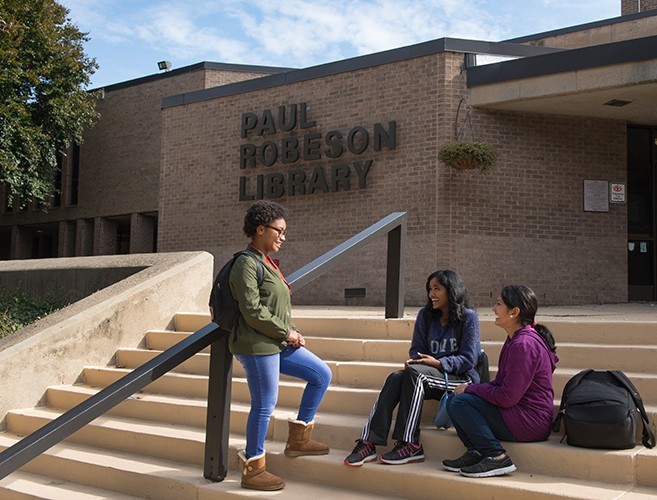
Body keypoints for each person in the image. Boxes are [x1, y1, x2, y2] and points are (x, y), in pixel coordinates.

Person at [230, 200, 333, 491]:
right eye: (279, 230)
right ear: (260, 229)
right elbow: (252, 311)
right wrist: (286, 333)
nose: (283, 237)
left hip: (277, 341)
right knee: (264, 405)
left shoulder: (268, 263)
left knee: (321, 374)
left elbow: (278, 306)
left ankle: (299, 439)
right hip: (256, 344)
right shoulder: (245, 263)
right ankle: (253, 467)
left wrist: (292, 331)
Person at [344, 269, 482, 467]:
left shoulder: (468, 317)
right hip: (427, 375)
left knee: (416, 375)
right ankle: (369, 441)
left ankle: (410, 443)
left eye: (437, 289)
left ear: (451, 290)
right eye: (429, 289)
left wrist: (439, 363)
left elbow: (468, 359)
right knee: (395, 378)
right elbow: (416, 350)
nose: (431, 294)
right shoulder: (426, 316)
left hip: (460, 377)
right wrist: (417, 361)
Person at [442, 284, 558, 478]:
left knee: (462, 402)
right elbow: (500, 385)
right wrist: (472, 389)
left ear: (514, 312)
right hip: (519, 414)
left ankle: (496, 456)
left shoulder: (524, 345)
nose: (494, 309)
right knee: (456, 400)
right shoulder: (515, 339)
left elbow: (506, 397)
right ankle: (477, 450)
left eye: (498, 304)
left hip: (531, 422)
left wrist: (472, 389)